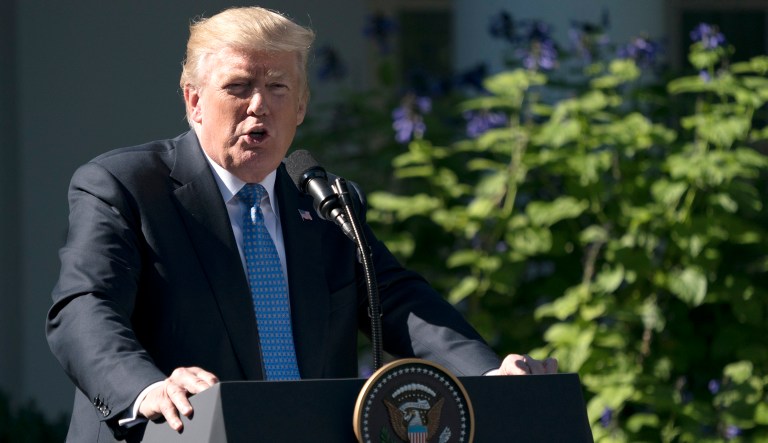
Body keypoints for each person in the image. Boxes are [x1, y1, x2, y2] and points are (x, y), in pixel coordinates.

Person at [45, 6, 557, 442]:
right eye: (239, 86)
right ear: (194, 100)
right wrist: (146, 387)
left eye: (277, 87)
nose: (259, 105)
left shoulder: (326, 201)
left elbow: (399, 300)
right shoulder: (125, 186)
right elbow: (84, 308)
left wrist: (488, 375)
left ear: (303, 105)